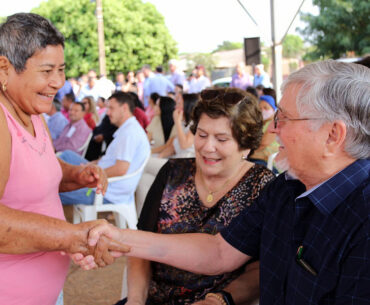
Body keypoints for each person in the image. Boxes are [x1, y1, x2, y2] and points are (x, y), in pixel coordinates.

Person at [83, 60, 370, 305]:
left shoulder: (362, 221)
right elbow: (218, 251)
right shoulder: (286, 188)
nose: (273, 129)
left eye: (284, 118)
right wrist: (117, 237)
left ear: (333, 135)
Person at [0, 13, 125, 305]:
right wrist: (69, 236)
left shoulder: (33, 113)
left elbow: (37, 170)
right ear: (4, 69)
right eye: (46, 71)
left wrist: (76, 174)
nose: (58, 82)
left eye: (62, 69)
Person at [114, 87, 275, 305]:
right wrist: (135, 300)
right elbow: (141, 245)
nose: (208, 147)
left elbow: (261, 269)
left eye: (221, 139)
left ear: (245, 144)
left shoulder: (261, 185)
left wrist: (218, 300)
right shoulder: (173, 172)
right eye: (201, 135)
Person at [59, 91, 151, 205]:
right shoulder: (128, 129)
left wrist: (89, 175)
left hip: (103, 191)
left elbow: (120, 169)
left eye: (111, 108)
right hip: (102, 180)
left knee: (51, 191)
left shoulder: (130, 133)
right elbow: (111, 159)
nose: (108, 113)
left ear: (124, 108)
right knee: (67, 155)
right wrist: (92, 164)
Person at [156, 93, 199, 159]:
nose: (175, 107)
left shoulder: (196, 124)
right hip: (178, 160)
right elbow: (173, 148)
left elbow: (184, 145)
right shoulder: (183, 123)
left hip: (189, 162)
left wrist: (177, 122)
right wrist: (159, 157)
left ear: (187, 107)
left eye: (179, 104)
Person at [249, 95, 279, 168]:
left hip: (268, 162)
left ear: (273, 109)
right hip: (258, 158)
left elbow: (264, 143)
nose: (262, 111)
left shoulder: (274, 123)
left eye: (266, 108)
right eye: (260, 108)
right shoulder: (262, 123)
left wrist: (249, 154)